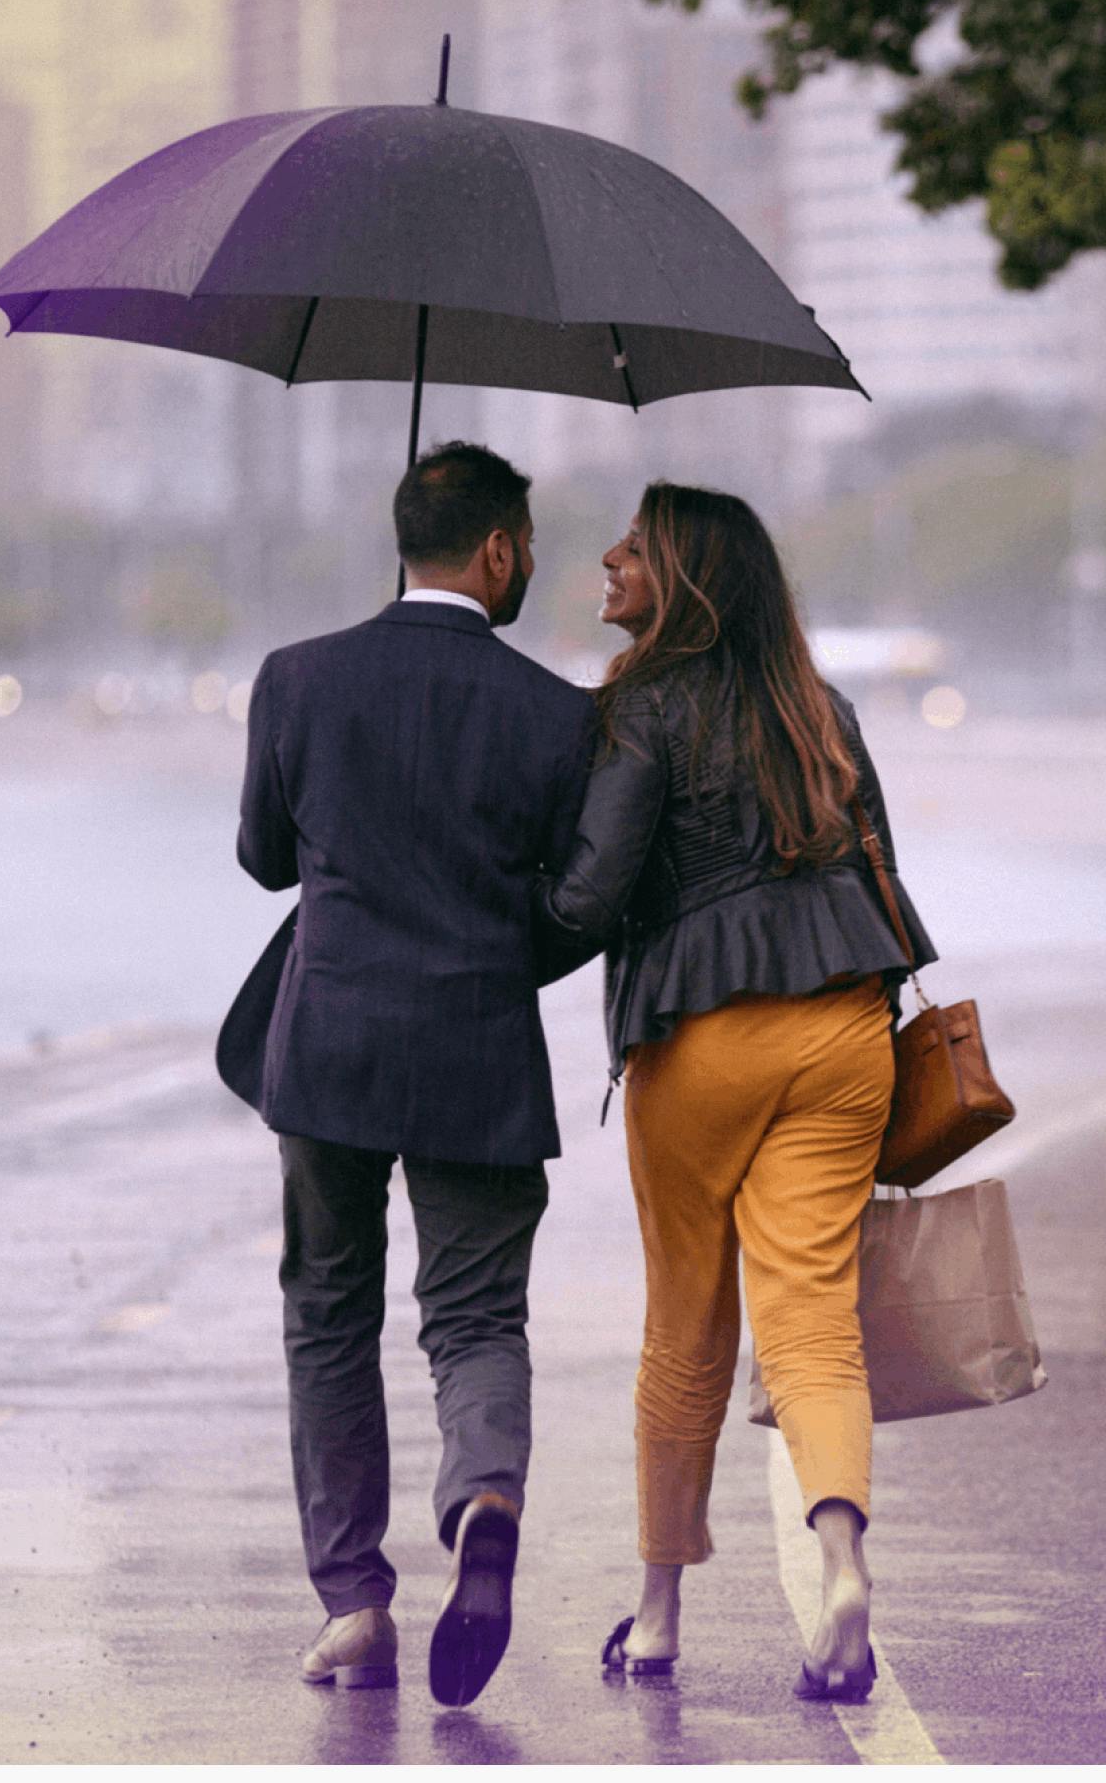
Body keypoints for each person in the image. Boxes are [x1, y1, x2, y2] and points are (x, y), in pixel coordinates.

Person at [535, 482, 936, 1705]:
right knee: (812, 1315)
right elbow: (881, 865)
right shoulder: (824, 708)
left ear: (684, 580)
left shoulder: (641, 706)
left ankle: (657, 1615)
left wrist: (474, 945)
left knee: (686, 1322)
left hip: (701, 1038)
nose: (607, 559)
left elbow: (590, 898)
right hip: (845, 1026)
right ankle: (843, 1567)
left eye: (634, 549)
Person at [219, 441, 595, 1708]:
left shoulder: (296, 679)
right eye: (528, 544)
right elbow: (574, 898)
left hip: (325, 1048)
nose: (532, 564)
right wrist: (491, 948)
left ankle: (353, 1602)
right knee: (475, 1315)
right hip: (480, 1047)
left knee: (329, 1310)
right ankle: (481, 1492)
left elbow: (267, 859)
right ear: (495, 549)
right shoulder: (558, 713)